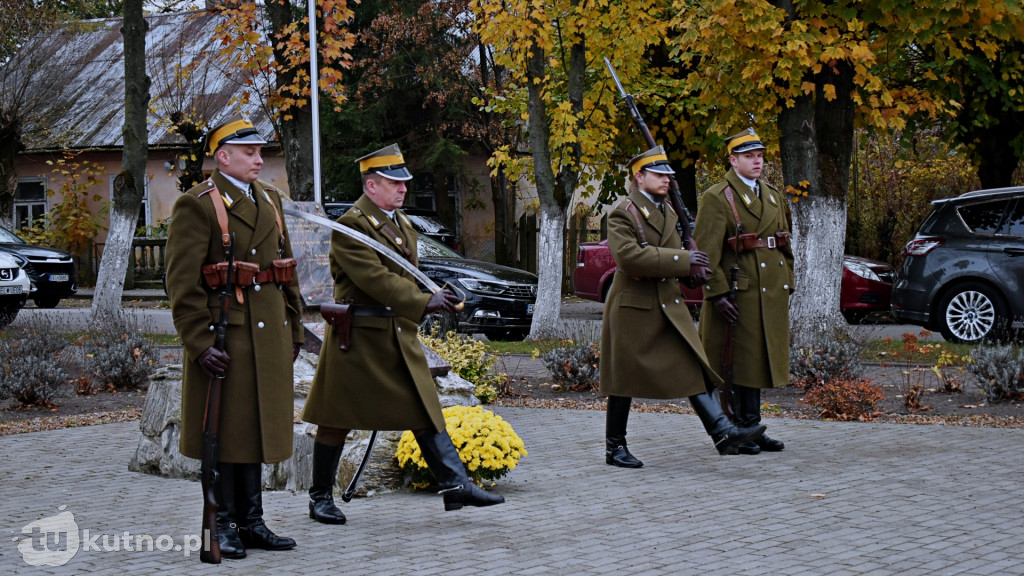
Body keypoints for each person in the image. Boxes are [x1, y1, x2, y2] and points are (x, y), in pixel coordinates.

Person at [301, 144, 504, 522]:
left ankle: (455, 484)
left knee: (423, 408)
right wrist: (423, 302)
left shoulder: (400, 222)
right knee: (336, 418)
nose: (403, 189)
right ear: (372, 185)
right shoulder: (352, 226)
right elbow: (375, 278)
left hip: (395, 332)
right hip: (359, 337)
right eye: (394, 183)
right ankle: (319, 498)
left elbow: (406, 274)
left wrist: (432, 294)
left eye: (404, 182)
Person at [165, 113, 305, 560]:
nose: (259, 159)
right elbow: (182, 285)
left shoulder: (269, 199)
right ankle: (221, 523)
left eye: (260, 151)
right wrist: (200, 343)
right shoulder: (198, 204)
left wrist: (296, 326)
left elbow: (285, 270)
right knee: (224, 434)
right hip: (227, 338)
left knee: (254, 431)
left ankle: (251, 521)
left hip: (268, 337)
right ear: (223, 157)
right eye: (250, 152)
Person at [599, 145, 766, 468]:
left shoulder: (670, 213)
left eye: (669, 175)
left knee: (694, 366)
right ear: (640, 177)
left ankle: (722, 432)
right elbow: (628, 257)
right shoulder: (624, 212)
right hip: (633, 308)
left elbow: (680, 261)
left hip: (667, 305)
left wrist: (694, 273)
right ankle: (614, 447)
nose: (666, 181)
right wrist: (683, 260)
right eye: (659, 175)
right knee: (623, 380)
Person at [693, 128, 794, 455]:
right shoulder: (717, 197)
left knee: (755, 363)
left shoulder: (772, 194)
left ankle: (752, 426)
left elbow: (783, 241)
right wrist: (717, 294)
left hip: (768, 294)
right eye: (749, 156)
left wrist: (788, 280)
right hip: (739, 294)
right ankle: (734, 429)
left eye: (760, 156)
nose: (757, 162)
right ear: (733, 160)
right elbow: (705, 254)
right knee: (733, 364)